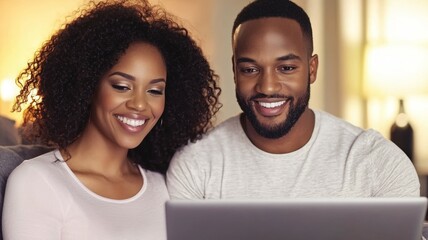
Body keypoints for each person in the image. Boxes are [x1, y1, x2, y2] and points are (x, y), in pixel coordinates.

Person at [2, 0, 221, 239]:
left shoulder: (164, 187)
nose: (139, 104)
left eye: (155, 90)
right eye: (122, 86)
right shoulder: (37, 181)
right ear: (87, 85)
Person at [166, 0, 419, 199]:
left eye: (286, 68)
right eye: (250, 69)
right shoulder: (195, 167)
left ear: (312, 69)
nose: (267, 86)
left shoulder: (379, 164)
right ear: (234, 71)